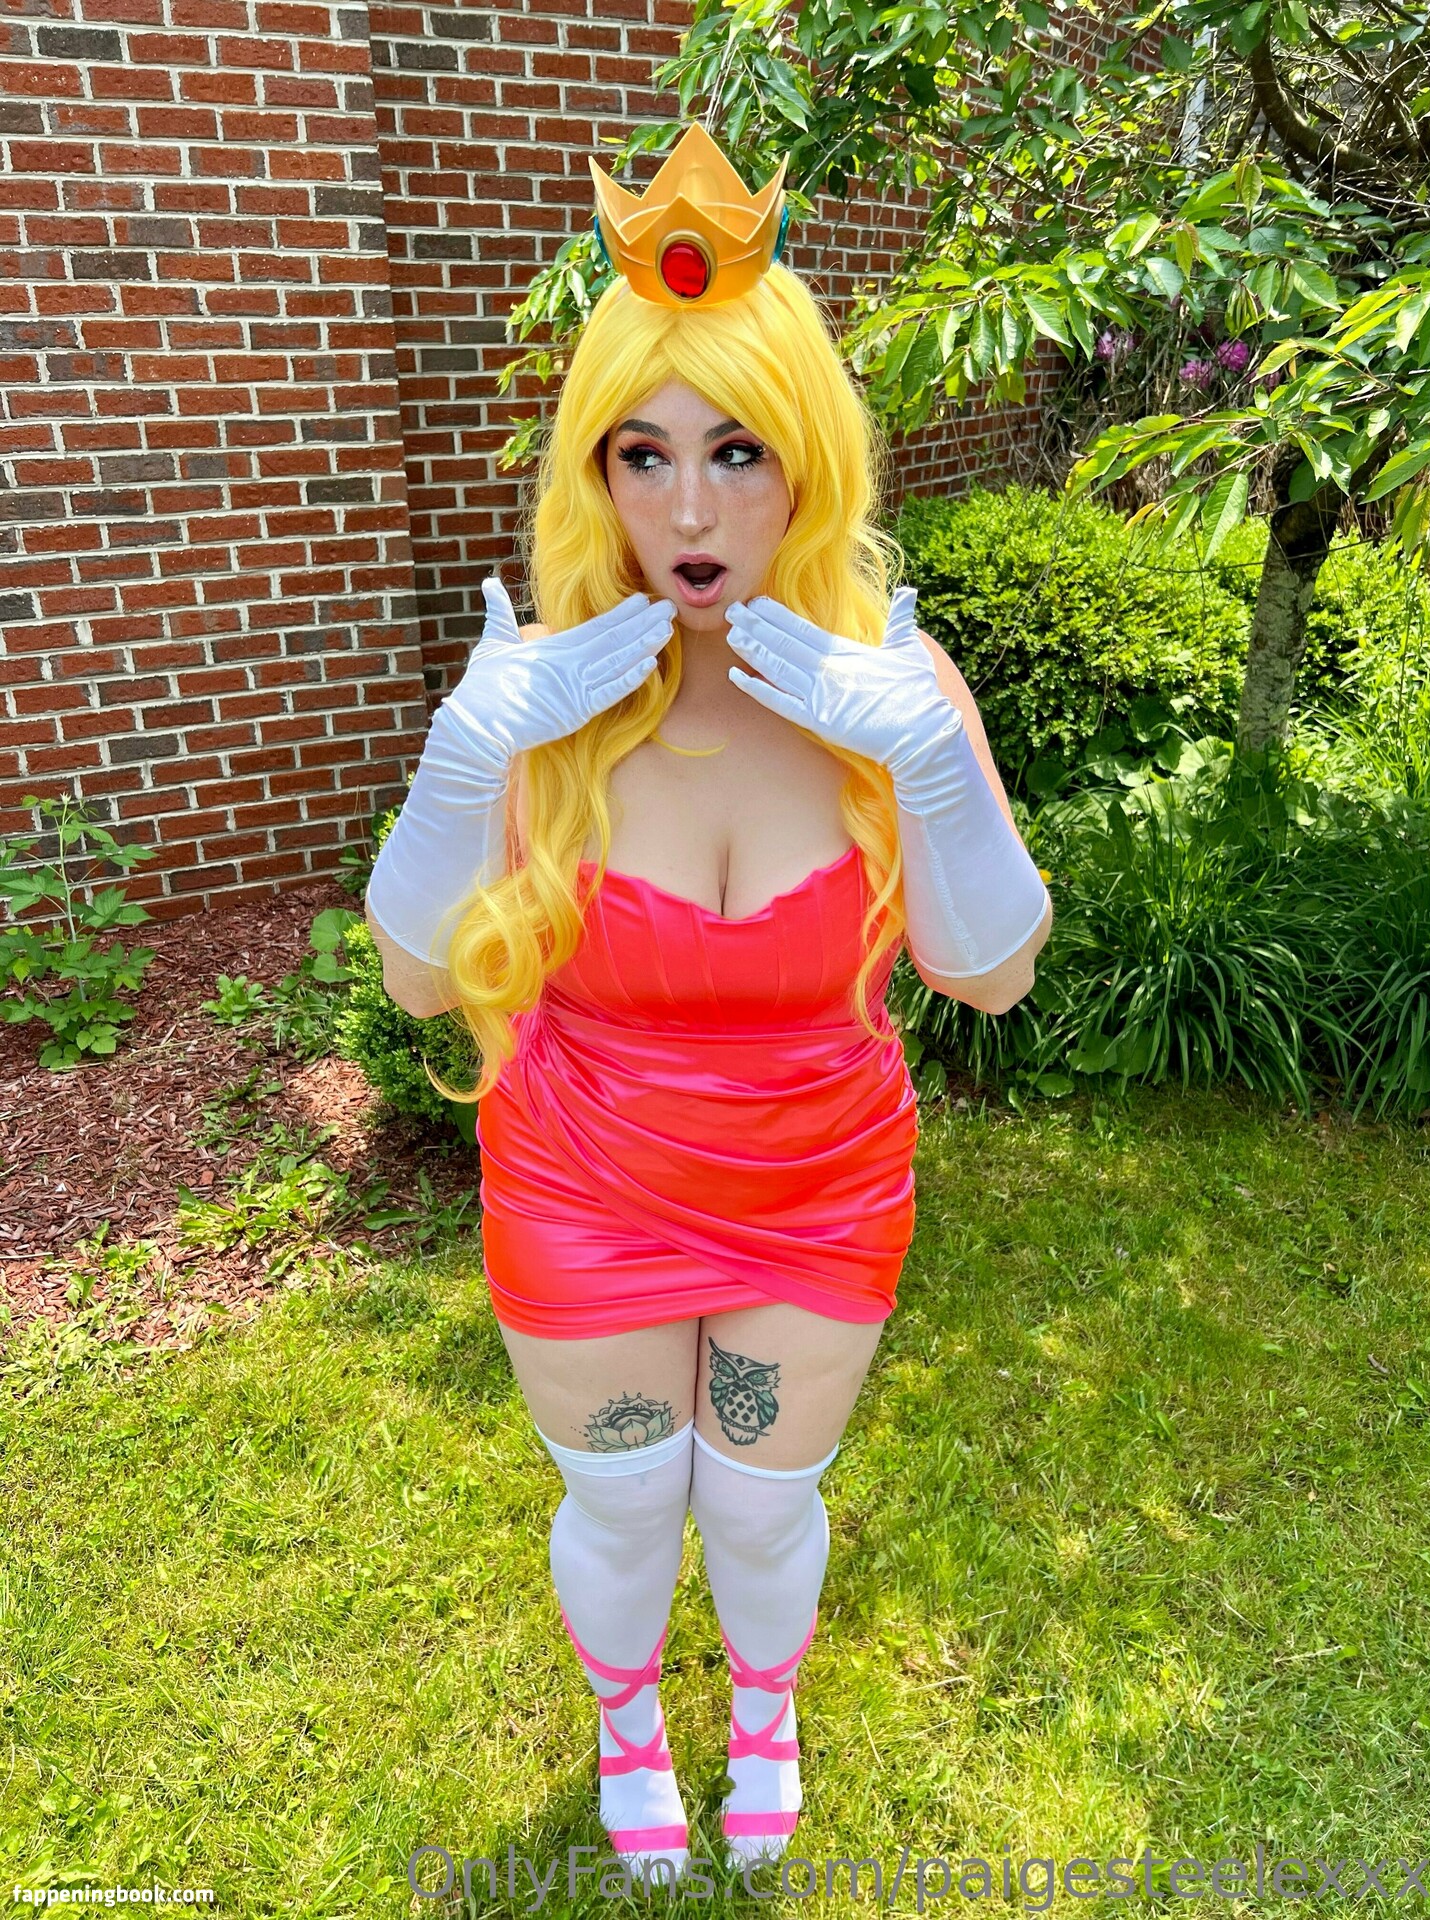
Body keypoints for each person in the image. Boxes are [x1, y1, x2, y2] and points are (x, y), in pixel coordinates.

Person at [364, 120, 1053, 1888]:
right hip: (583, 1178)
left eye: (738, 451)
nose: (688, 511)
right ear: (594, 473)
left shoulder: (888, 680)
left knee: (753, 1504)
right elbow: (422, 980)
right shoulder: (542, 701)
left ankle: (761, 1714)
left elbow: (990, 974)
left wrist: (930, 761)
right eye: (644, 453)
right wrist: (464, 763)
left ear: (806, 461)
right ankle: (624, 1728)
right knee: (620, 1501)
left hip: (819, 1181)